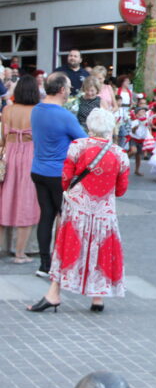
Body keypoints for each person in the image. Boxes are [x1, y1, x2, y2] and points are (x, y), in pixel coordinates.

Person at [27, 108, 129, 313]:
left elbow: (65, 178)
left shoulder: (77, 146)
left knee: (68, 247)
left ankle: (54, 293)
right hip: (104, 213)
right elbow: (121, 190)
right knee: (101, 249)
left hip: (77, 210)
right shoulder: (120, 154)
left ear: (89, 126)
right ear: (110, 128)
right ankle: (98, 297)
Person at [30, 72, 87, 278]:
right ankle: (63, 263)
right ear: (62, 89)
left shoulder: (36, 110)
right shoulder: (64, 115)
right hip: (58, 174)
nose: (71, 90)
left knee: (46, 216)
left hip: (38, 170)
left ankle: (44, 265)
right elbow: (85, 141)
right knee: (65, 218)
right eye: (69, 86)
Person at [0, 76, 40, 264]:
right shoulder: (38, 111)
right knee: (27, 201)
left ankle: (2, 247)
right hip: (30, 158)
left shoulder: (7, 110)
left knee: (4, 200)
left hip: (9, 155)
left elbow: (2, 138)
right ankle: (20, 253)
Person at [129, 106, 150, 176]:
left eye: (144, 112)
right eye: (141, 112)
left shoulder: (146, 121)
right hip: (134, 139)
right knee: (133, 151)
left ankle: (137, 170)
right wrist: (137, 126)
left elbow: (149, 126)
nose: (144, 113)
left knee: (138, 156)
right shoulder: (135, 121)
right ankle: (124, 158)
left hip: (141, 140)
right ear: (137, 115)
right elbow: (133, 131)